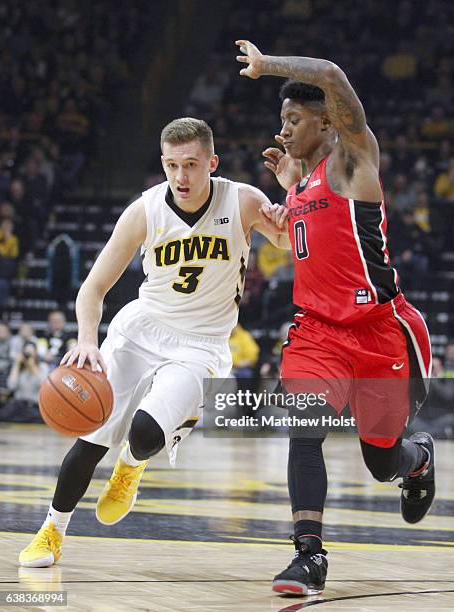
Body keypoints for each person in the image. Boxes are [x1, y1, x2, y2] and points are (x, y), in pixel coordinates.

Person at [18, 117, 290, 567]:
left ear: (212, 162)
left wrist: (288, 210)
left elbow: (287, 240)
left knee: (143, 434)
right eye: (171, 165)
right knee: (90, 437)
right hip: (139, 331)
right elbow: (93, 288)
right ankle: (51, 531)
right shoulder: (144, 210)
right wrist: (87, 340)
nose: (181, 177)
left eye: (191, 164)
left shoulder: (241, 200)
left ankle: (132, 466)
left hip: (201, 344)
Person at [236, 40, 433, 596]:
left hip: (378, 332)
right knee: (305, 430)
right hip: (317, 332)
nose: (284, 130)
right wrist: (290, 188)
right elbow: (310, 232)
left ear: (328, 122)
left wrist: (267, 65)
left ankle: (416, 460)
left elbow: (329, 73)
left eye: (294, 119)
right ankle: (308, 556)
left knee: (381, 461)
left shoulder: (353, 160)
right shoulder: (303, 182)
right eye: (281, 120)